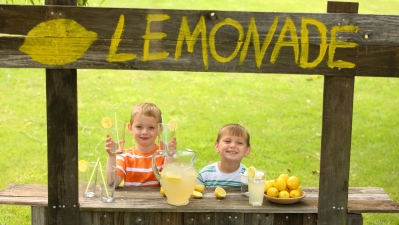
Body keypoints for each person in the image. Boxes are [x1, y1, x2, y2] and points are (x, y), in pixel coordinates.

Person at [105, 102, 175, 187]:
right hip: (132, 200)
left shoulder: (163, 156)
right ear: (130, 128)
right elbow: (112, 183)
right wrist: (112, 155)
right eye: (139, 127)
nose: (145, 132)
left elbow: (168, 186)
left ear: (160, 129)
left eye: (151, 127)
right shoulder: (125, 156)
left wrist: (170, 157)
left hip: (156, 200)